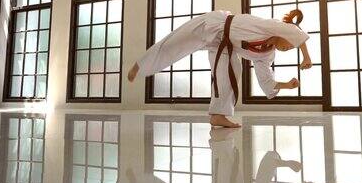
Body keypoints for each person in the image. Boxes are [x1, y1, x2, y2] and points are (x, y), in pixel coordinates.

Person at [127, 9, 312, 128]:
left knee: (234, 70)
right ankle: (141, 64)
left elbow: (266, 80)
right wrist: (306, 56)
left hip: (223, 47)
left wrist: (287, 85)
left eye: (291, 49)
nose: (288, 48)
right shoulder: (269, 26)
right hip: (214, 24)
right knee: (176, 43)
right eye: (290, 43)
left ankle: (218, 115)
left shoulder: (267, 55)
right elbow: (297, 33)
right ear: (285, 32)